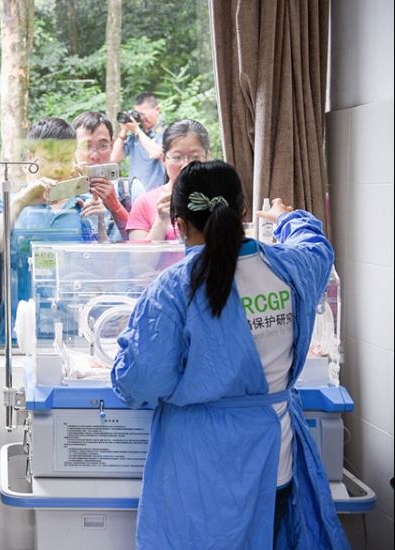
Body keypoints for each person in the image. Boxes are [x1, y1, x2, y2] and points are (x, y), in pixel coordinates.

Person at [111, 160, 349, 550]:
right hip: (275, 462)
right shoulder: (290, 267)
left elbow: (143, 379)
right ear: (241, 214)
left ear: (179, 224)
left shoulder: (174, 287)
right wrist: (285, 218)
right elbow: (318, 247)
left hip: (200, 471)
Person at [0, 117, 107, 342]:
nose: (58, 168)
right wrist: (21, 201)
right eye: (49, 160)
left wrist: (101, 225)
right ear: (30, 158)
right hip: (19, 332)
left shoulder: (86, 204)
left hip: (73, 332)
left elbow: (105, 272)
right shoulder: (9, 204)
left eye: (65, 159)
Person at [127, 118, 210, 241]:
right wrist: (161, 220)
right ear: (163, 159)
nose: (186, 165)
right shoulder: (144, 203)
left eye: (195, 157)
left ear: (207, 158)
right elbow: (139, 259)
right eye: (177, 157)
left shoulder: (217, 198)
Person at [72, 111, 145, 241]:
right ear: (72, 148)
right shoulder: (64, 192)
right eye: (86, 146)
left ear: (112, 144)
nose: (94, 155)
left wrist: (115, 206)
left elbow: (143, 246)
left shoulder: (131, 189)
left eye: (102, 146)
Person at [110, 91, 166, 192]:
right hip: (135, 195)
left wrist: (137, 130)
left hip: (155, 195)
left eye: (143, 114)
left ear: (157, 110)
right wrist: (123, 131)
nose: (141, 118)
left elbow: (156, 153)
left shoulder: (166, 132)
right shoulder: (135, 135)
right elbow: (114, 158)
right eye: (138, 114)